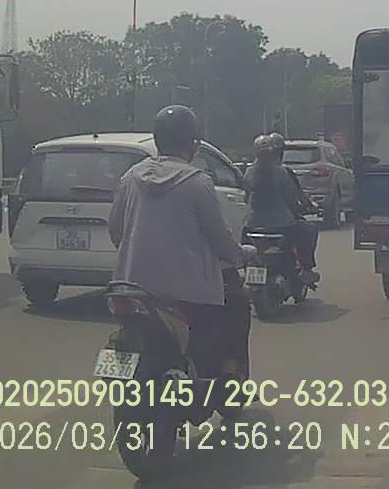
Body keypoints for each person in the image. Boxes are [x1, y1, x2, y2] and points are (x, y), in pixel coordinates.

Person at [108, 105, 255, 379]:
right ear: (193, 143)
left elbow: (115, 229)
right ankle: (225, 380)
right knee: (236, 304)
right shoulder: (198, 183)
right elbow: (220, 239)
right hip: (188, 295)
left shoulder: (130, 178)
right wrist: (240, 255)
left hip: (131, 290)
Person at [243, 133, 320, 284]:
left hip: (252, 225)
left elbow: (246, 197)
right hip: (282, 225)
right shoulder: (281, 173)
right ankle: (306, 270)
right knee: (309, 230)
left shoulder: (249, 172)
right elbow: (292, 200)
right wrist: (303, 209)